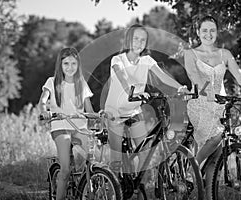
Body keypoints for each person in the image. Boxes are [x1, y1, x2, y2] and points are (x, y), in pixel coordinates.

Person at [183, 16, 241, 200]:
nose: (208, 34)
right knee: (218, 135)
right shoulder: (190, 54)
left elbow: (240, 76)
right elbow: (194, 76)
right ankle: (193, 167)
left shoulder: (224, 54)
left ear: (217, 32)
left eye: (212, 30)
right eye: (204, 30)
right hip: (200, 103)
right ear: (198, 32)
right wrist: (207, 91)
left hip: (220, 104)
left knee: (216, 157)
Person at [105, 24, 188, 174]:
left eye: (143, 40)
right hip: (115, 113)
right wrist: (134, 91)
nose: (139, 43)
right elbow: (122, 77)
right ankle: (112, 191)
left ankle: (137, 189)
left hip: (134, 111)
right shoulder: (118, 59)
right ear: (129, 40)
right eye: (136, 39)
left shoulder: (147, 60)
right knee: (116, 161)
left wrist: (181, 88)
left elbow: (163, 77)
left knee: (144, 157)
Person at [39, 47, 98, 200]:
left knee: (95, 158)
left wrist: (100, 115)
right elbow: (43, 101)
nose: (70, 67)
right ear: (60, 65)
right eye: (66, 64)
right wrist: (44, 110)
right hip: (60, 126)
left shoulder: (82, 84)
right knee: (65, 170)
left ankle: (86, 187)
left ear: (78, 65)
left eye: (73, 63)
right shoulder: (52, 82)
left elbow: (89, 109)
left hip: (80, 127)